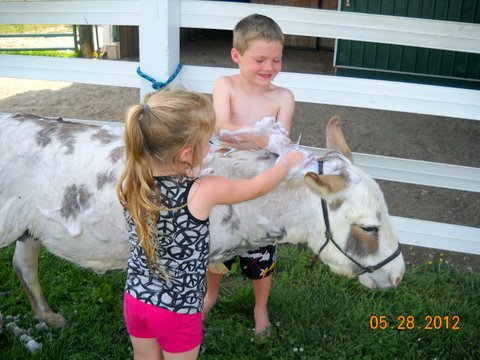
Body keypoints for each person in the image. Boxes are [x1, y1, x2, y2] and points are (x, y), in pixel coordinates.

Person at [116, 88, 304, 360]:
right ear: (185, 154)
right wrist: (287, 162)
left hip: (136, 300)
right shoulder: (203, 191)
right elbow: (258, 187)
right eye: (207, 144)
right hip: (178, 310)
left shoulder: (133, 181)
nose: (211, 148)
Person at [204, 14, 295, 338]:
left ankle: (260, 307)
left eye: (276, 59)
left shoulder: (283, 97)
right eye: (259, 60)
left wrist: (259, 140)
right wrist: (259, 137)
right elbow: (220, 127)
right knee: (218, 247)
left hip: (261, 186)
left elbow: (281, 141)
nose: (269, 67)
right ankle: (211, 293)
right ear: (237, 55)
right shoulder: (224, 85)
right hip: (224, 179)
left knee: (261, 248)